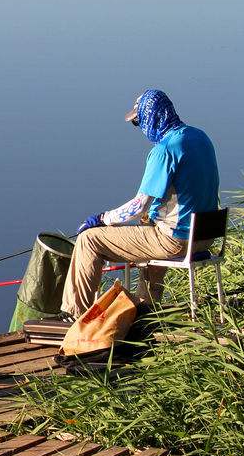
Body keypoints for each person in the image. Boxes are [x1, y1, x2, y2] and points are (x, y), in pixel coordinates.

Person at [61, 89, 219, 317]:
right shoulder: (200, 137)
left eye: (139, 122)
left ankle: (74, 314)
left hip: (176, 241)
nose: (141, 128)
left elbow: (138, 206)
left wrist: (102, 219)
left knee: (89, 240)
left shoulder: (164, 150)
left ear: (151, 118)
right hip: (204, 238)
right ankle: (146, 307)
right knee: (149, 223)